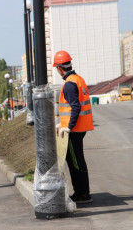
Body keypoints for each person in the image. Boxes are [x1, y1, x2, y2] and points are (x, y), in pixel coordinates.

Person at [54, 50, 94, 204]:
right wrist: (62, 123)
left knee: (75, 162)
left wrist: (68, 127)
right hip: (79, 128)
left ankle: (82, 194)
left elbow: (75, 107)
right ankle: (83, 192)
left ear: (59, 68)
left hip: (75, 130)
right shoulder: (78, 79)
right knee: (77, 160)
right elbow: (72, 108)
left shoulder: (69, 83)